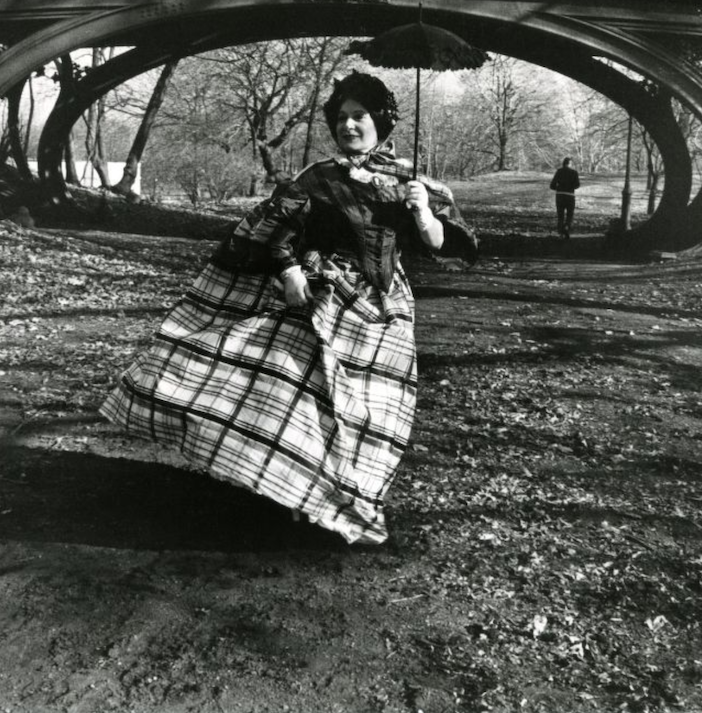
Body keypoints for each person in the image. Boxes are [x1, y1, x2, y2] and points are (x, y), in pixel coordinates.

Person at [98, 71, 478, 546]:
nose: (349, 125)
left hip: (385, 310)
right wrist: (289, 270)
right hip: (325, 298)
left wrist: (421, 210)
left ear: (381, 121)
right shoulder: (318, 177)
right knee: (308, 400)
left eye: (359, 116)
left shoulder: (411, 181)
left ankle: (348, 500)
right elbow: (269, 229)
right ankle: (300, 495)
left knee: (372, 412)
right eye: (341, 118)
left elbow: (440, 243)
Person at [549, 156, 580, 238]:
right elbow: (577, 185)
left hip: (560, 195)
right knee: (570, 214)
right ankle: (567, 227)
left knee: (560, 215)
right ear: (570, 164)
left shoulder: (559, 171)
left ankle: (560, 232)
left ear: (563, 163)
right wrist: (570, 187)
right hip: (570, 196)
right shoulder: (574, 172)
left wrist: (559, 189)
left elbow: (552, 185)